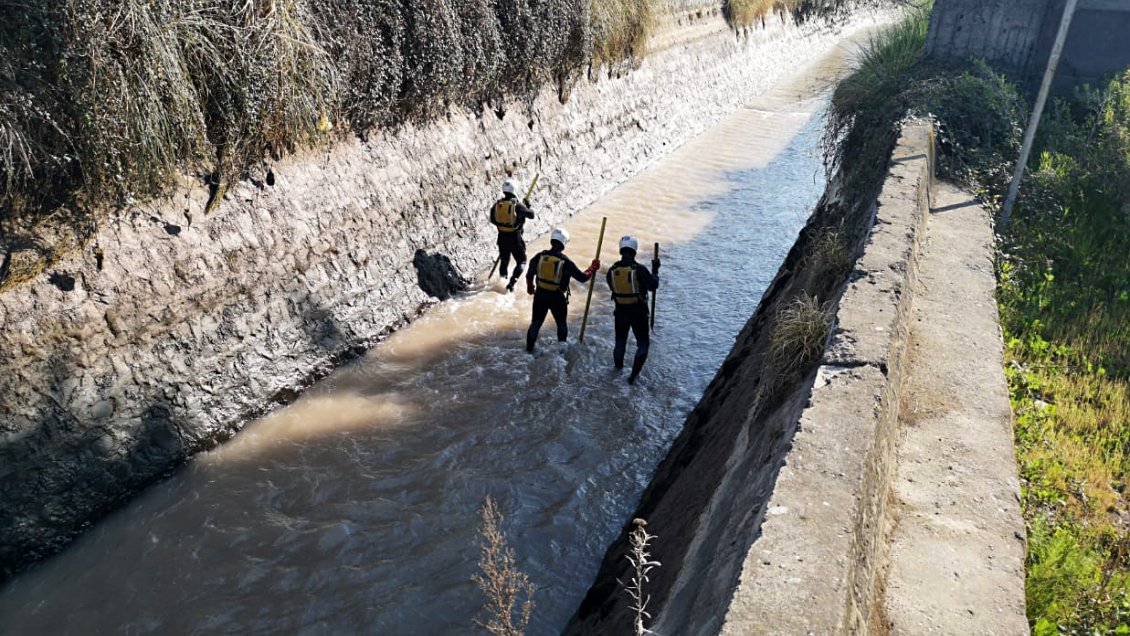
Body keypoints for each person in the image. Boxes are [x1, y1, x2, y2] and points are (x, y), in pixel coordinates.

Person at [525, 228, 600, 352]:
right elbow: (582, 278)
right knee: (561, 324)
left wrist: (530, 287)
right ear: (564, 243)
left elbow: (529, 275)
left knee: (535, 324)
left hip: (540, 296)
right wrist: (592, 268)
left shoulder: (539, 256)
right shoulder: (566, 262)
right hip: (557, 298)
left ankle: (528, 350)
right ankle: (561, 351)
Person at [606, 235, 659, 384]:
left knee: (620, 341)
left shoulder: (612, 270)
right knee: (643, 344)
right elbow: (652, 286)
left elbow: (613, 288)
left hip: (620, 312)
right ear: (635, 251)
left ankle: (617, 370)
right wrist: (655, 271)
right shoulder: (640, 269)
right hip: (639, 313)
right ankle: (632, 377)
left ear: (620, 250)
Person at [489, 180, 535, 292]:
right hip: (515, 238)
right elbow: (531, 215)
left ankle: (502, 280)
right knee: (522, 261)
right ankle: (511, 283)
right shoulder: (517, 206)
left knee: (504, 260)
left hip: (502, 238)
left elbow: (493, 220)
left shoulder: (497, 205)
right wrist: (528, 206)